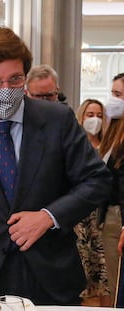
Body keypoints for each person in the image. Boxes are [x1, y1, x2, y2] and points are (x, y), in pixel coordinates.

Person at [0, 26, 112, 305]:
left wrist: (47, 216)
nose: (5, 90)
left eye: (15, 79)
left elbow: (97, 180)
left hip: (52, 273)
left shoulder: (57, 120)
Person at [75, 99, 111, 307]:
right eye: (90, 114)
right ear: (82, 116)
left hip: (103, 211)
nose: (94, 120)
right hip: (81, 211)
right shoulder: (75, 144)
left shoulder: (109, 145)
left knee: (103, 265)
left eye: (99, 115)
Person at [99, 73, 124, 305]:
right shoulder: (114, 133)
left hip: (119, 216)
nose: (112, 101)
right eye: (112, 94)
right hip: (109, 215)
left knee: (118, 285)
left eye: (118, 95)